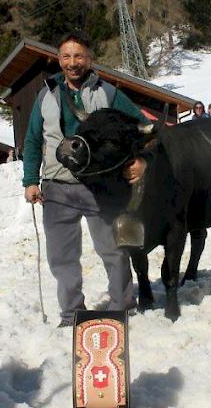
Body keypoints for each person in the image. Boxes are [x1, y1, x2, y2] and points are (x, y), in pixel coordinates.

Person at [23, 32, 146, 328]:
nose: (73, 62)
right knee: (62, 257)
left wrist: (140, 160)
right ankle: (71, 313)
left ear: (89, 59)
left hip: (100, 186)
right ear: (58, 60)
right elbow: (32, 140)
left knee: (113, 250)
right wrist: (30, 180)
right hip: (56, 187)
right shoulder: (46, 95)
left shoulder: (107, 93)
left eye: (79, 56)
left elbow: (142, 127)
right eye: (66, 56)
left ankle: (122, 308)